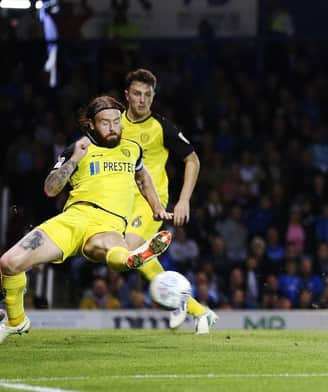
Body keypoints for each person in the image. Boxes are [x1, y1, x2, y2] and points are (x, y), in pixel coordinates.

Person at [0, 95, 173, 343]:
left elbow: (143, 177)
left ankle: (135, 257)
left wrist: (157, 208)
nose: (113, 127)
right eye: (105, 122)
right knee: (8, 262)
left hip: (109, 224)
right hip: (73, 219)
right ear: (91, 124)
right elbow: (50, 189)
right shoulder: (78, 148)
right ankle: (16, 321)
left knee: (114, 250)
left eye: (117, 121)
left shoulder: (132, 149)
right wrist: (72, 161)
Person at [121, 68, 217, 334]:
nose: (142, 100)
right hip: (119, 201)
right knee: (127, 255)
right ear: (127, 95)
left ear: (153, 97)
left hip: (151, 202)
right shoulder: (114, 124)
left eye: (148, 95)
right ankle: (194, 308)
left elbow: (193, 160)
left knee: (128, 248)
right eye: (137, 94)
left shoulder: (161, 127)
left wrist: (183, 200)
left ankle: (179, 303)